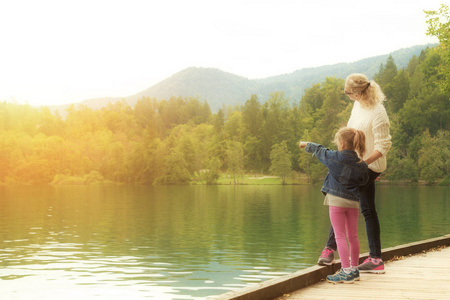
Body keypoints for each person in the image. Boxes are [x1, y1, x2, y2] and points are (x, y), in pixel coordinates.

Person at [317, 73, 392, 274]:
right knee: (358, 205)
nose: (347, 95)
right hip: (353, 163)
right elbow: (351, 132)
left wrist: (362, 163)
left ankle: (332, 249)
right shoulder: (358, 105)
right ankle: (371, 258)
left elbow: (383, 146)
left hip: (368, 166)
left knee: (350, 203)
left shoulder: (378, 113)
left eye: (349, 92)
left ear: (359, 92)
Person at [299, 127, 369, 283]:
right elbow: (364, 181)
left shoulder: (334, 157)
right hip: (353, 203)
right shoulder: (361, 165)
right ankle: (354, 270)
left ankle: (345, 271)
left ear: (342, 143)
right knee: (353, 236)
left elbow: (320, 150)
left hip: (336, 203)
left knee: (339, 236)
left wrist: (306, 144)